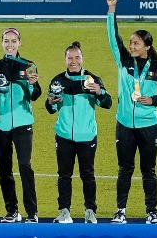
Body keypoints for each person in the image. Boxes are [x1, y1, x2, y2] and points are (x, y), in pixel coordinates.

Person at [104, 0, 157, 224]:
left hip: (148, 126)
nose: (132, 46)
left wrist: (153, 101)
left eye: (136, 43)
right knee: (124, 169)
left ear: (147, 46)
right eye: (131, 43)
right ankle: (120, 210)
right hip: (124, 124)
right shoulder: (124, 61)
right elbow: (114, 38)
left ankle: (151, 212)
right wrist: (112, 8)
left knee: (148, 170)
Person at [44, 42, 111, 224]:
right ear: (65, 60)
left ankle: (90, 211)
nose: (73, 61)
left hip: (87, 136)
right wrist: (50, 102)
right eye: (70, 58)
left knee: (87, 174)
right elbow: (50, 108)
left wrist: (99, 92)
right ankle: (64, 211)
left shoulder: (92, 80)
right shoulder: (58, 81)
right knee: (64, 175)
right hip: (64, 136)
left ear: (82, 59)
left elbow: (108, 103)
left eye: (77, 58)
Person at [0, 28, 42, 223]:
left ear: (20, 43)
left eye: (14, 41)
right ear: (2, 43)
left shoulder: (29, 65)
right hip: (0, 123)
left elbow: (35, 96)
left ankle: (32, 212)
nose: (10, 44)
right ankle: (12, 211)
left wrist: (34, 84)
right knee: (4, 168)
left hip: (22, 122)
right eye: (7, 41)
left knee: (25, 165)